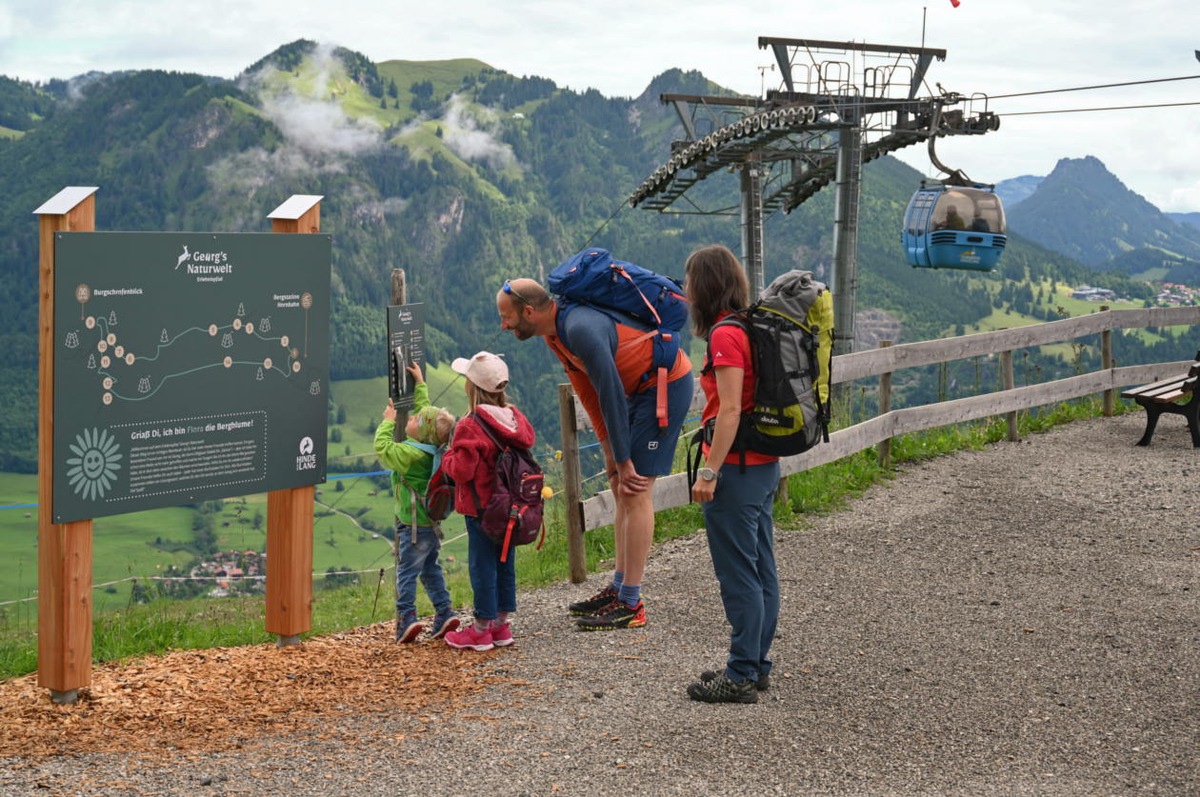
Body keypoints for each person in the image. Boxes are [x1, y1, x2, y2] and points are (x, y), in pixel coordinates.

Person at [496, 276, 694, 631]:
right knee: (621, 487)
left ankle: (631, 602)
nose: (503, 325)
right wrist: (609, 449)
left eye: (507, 317)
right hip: (638, 390)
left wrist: (623, 459)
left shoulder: (580, 328)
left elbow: (610, 393)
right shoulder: (555, 334)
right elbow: (587, 391)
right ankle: (619, 588)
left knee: (635, 489)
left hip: (662, 386)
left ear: (529, 311)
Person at [682, 244, 780, 704]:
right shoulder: (750, 326)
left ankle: (740, 675)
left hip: (735, 471)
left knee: (739, 574)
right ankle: (754, 663)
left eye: (689, 283)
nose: (685, 292)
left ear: (704, 287)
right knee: (761, 569)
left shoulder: (724, 335)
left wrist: (708, 471)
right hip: (763, 467)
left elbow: (730, 411)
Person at [440, 351, 536, 652]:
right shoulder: (514, 418)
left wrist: (447, 457)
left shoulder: (470, 425)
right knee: (505, 562)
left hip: (482, 509)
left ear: (473, 387)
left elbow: (462, 470)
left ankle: (481, 630)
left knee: (482, 567)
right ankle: (501, 625)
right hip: (511, 508)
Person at [373, 362, 460, 643]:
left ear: (421, 433)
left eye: (412, 420)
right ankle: (444, 611)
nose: (408, 418)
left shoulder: (410, 456)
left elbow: (383, 449)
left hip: (411, 526)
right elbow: (428, 417)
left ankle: (406, 620)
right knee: (430, 569)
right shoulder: (433, 447)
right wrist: (420, 383)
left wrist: (388, 420)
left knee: (407, 572)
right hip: (431, 525)